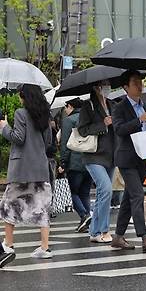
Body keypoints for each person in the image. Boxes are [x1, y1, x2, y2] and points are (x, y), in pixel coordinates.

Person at [0, 84, 54, 264]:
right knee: (42, 207)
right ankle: (45, 247)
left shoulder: (20, 114)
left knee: (9, 204)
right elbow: (48, 142)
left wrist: (4, 127)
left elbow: (18, 138)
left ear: (24, 97)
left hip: (21, 169)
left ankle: (9, 243)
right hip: (40, 167)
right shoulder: (45, 115)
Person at [110, 70, 146, 252]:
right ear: (125, 87)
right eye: (135, 82)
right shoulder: (119, 107)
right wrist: (139, 120)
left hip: (144, 157)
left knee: (129, 198)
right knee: (138, 194)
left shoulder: (144, 105)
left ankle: (118, 236)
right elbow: (119, 129)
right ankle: (144, 236)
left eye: (140, 81)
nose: (140, 85)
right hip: (127, 158)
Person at [78, 79, 115, 244]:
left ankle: (95, 230)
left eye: (108, 84)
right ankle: (103, 229)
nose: (107, 87)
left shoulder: (113, 104)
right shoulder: (88, 106)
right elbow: (83, 129)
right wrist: (103, 124)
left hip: (110, 155)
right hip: (93, 155)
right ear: (96, 87)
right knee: (106, 189)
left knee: (102, 193)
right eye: (103, 84)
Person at [59, 98, 93, 232]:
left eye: (66, 107)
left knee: (72, 192)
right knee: (84, 193)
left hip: (75, 162)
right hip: (90, 160)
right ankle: (86, 220)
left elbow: (66, 144)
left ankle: (84, 215)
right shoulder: (89, 118)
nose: (65, 110)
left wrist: (63, 162)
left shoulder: (69, 120)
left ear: (70, 106)